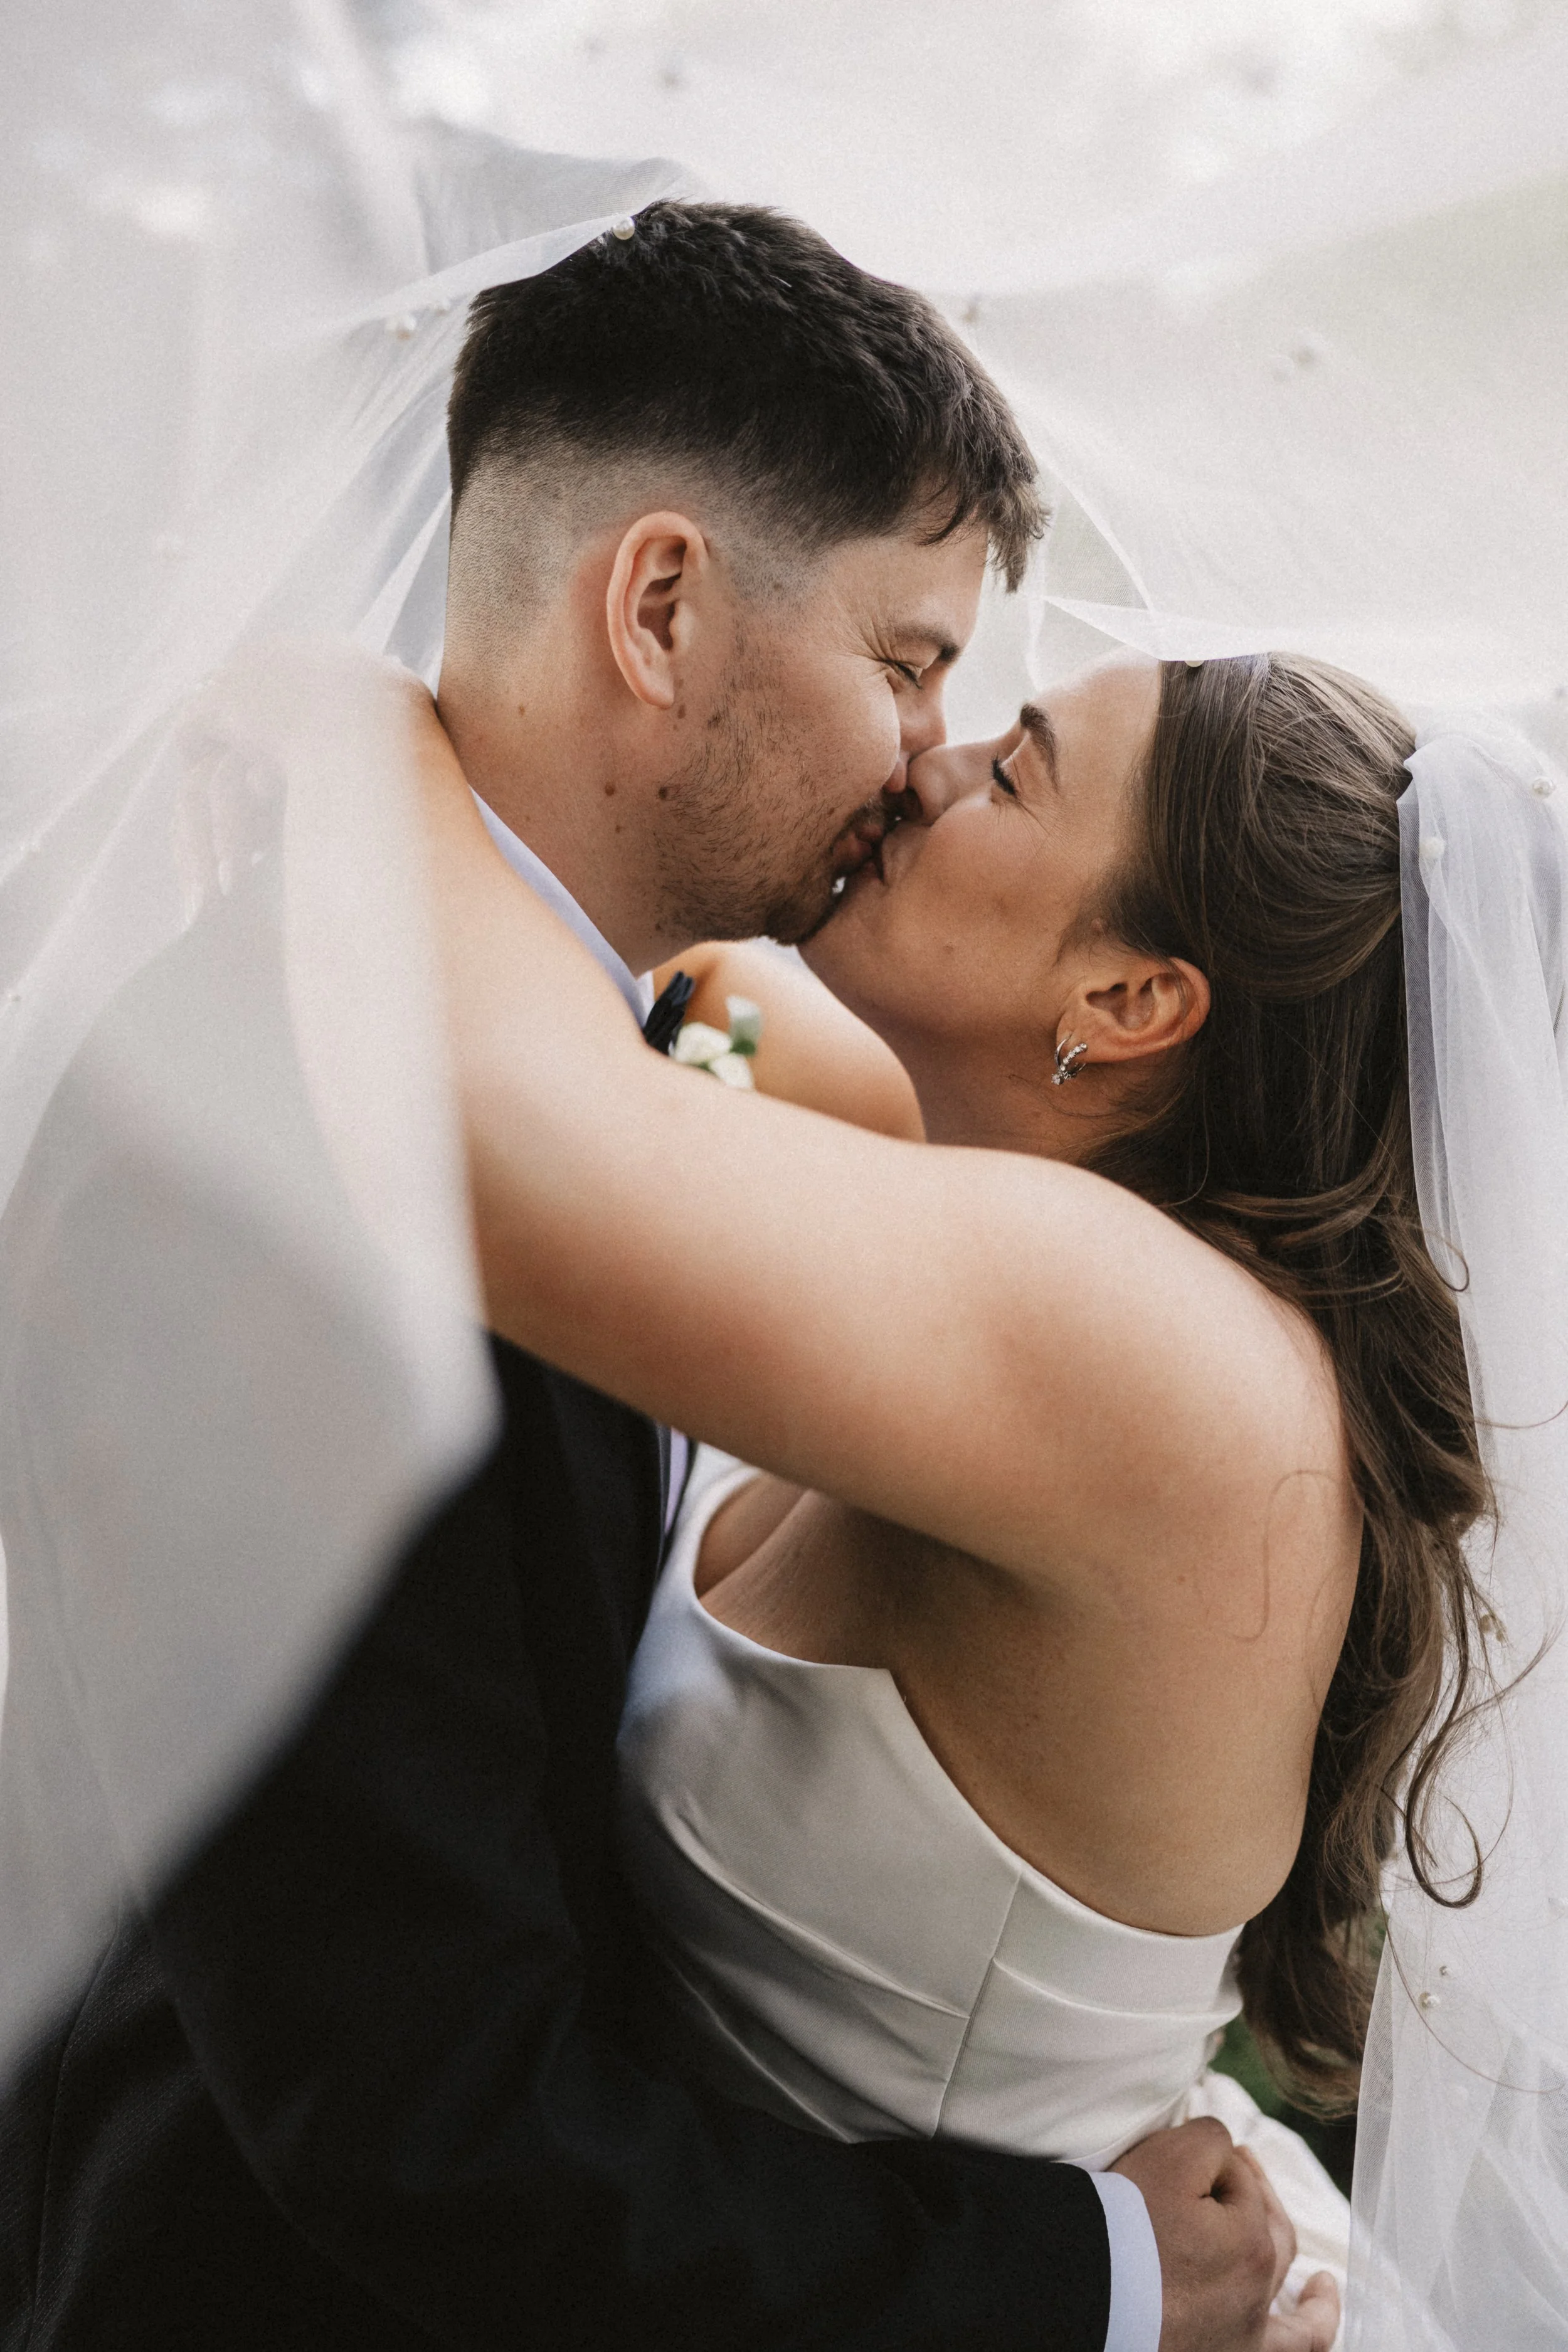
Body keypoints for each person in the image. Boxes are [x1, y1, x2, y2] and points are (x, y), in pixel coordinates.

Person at [0, 204, 1302, 2352]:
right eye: (907, 660)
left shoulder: (637, 1057)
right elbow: (418, 2114)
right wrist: (1088, 2278)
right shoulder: (255, 1149)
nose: (922, 761)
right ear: (666, 603)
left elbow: (684, 1087)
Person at [402, 642, 1505, 2348]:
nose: (929, 758)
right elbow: (683, 1004)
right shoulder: (998, 1177)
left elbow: (506, 1139)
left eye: (1016, 769)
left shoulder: (1159, 1360)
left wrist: (357, 717)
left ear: (1133, 998)